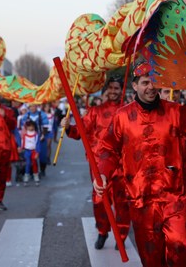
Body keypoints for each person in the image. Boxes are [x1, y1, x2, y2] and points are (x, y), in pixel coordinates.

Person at [94, 62, 186, 266]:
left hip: (174, 194)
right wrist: (102, 174)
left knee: (182, 245)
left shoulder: (175, 112)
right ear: (135, 86)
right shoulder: (122, 117)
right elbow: (108, 149)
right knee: (151, 255)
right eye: (145, 82)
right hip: (141, 198)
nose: (151, 87)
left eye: (155, 82)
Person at [61, 75, 131, 250]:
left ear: (122, 90)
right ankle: (102, 231)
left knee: (122, 203)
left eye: (117, 88)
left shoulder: (129, 111)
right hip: (99, 165)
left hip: (123, 165)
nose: (113, 91)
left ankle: (121, 235)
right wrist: (69, 127)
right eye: (111, 88)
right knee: (99, 201)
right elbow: (80, 132)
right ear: (105, 90)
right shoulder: (95, 112)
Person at [20, 104, 49, 177]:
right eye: (31, 106)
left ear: (36, 106)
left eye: (34, 106)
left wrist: (43, 135)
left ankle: (42, 171)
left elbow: (46, 126)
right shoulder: (26, 116)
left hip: (40, 138)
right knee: (30, 156)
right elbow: (23, 127)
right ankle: (32, 172)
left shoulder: (42, 114)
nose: (32, 108)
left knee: (42, 156)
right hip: (30, 139)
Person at [20, 120, 40, 186]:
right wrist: (21, 148)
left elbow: (37, 144)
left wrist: (37, 152)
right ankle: (26, 177)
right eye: (29, 126)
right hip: (27, 150)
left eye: (31, 126)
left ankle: (36, 176)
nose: (30, 128)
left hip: (34, 151)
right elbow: (23, 142)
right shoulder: (25, 134)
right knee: (28, 164)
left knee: (34, 163)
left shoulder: (36, 135)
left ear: (34, 127)